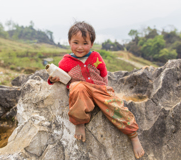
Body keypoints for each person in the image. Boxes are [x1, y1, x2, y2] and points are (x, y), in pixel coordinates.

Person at [47, 21, 145, 159]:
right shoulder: (66, 61)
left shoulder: (96, 57)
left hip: (98, 88)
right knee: (77, 87)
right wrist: (53, 79)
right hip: (80, 90)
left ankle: (133, 135)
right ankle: (80, 122)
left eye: (85, 43)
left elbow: (104, 74)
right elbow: (58, 76)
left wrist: (106, 90)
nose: (80, 47)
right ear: (69, 42)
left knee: (116, 107)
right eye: (76, 42)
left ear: (91, 44)